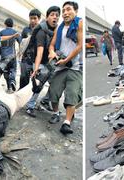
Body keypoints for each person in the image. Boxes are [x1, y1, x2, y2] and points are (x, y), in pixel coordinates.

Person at [48, 1, 82, 135]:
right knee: (53, 92)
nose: (65, 13)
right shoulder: (59, 28)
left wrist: (67, 60)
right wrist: (52, 52)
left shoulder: (79, 23)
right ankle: (56, 113)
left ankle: (66, 122)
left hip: (75, 67)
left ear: (76, 11)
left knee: (72, 94)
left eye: (68, 9)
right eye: (64, 11)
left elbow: (79, 46)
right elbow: (51, 45)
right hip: (59, 67)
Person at [25, 6, 60, 117]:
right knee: (40, 82)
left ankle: (45, 100)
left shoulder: (56, 31)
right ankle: (30, 106)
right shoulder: (41, 31)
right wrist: (35, 69)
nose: (55, 17)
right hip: (38, 61)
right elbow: (39, 52)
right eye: (52, 15)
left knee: (56, 81)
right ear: (47, 17)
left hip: (48, 62)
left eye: (57, 15)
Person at [19, 9, 41, 90]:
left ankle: (31, 97)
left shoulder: (41, 30)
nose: (32, 20)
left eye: (35, 18)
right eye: (31, 18)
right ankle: (21, 95)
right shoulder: (25, 30)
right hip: (26, 58)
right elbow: (21, 43)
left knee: (35, 80)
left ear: (39, 19)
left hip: (37, 59)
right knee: (24, 77)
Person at [0, 18, 22, 92]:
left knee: (6, 71)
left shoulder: (1, 32)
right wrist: (20, 53)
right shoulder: (15, 32)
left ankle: (9, 87)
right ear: (12, 25)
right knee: (13, 70)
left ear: (5, 24)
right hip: (12, 55)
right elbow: (21, 43)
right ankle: (12, 81)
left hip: (4, 56)